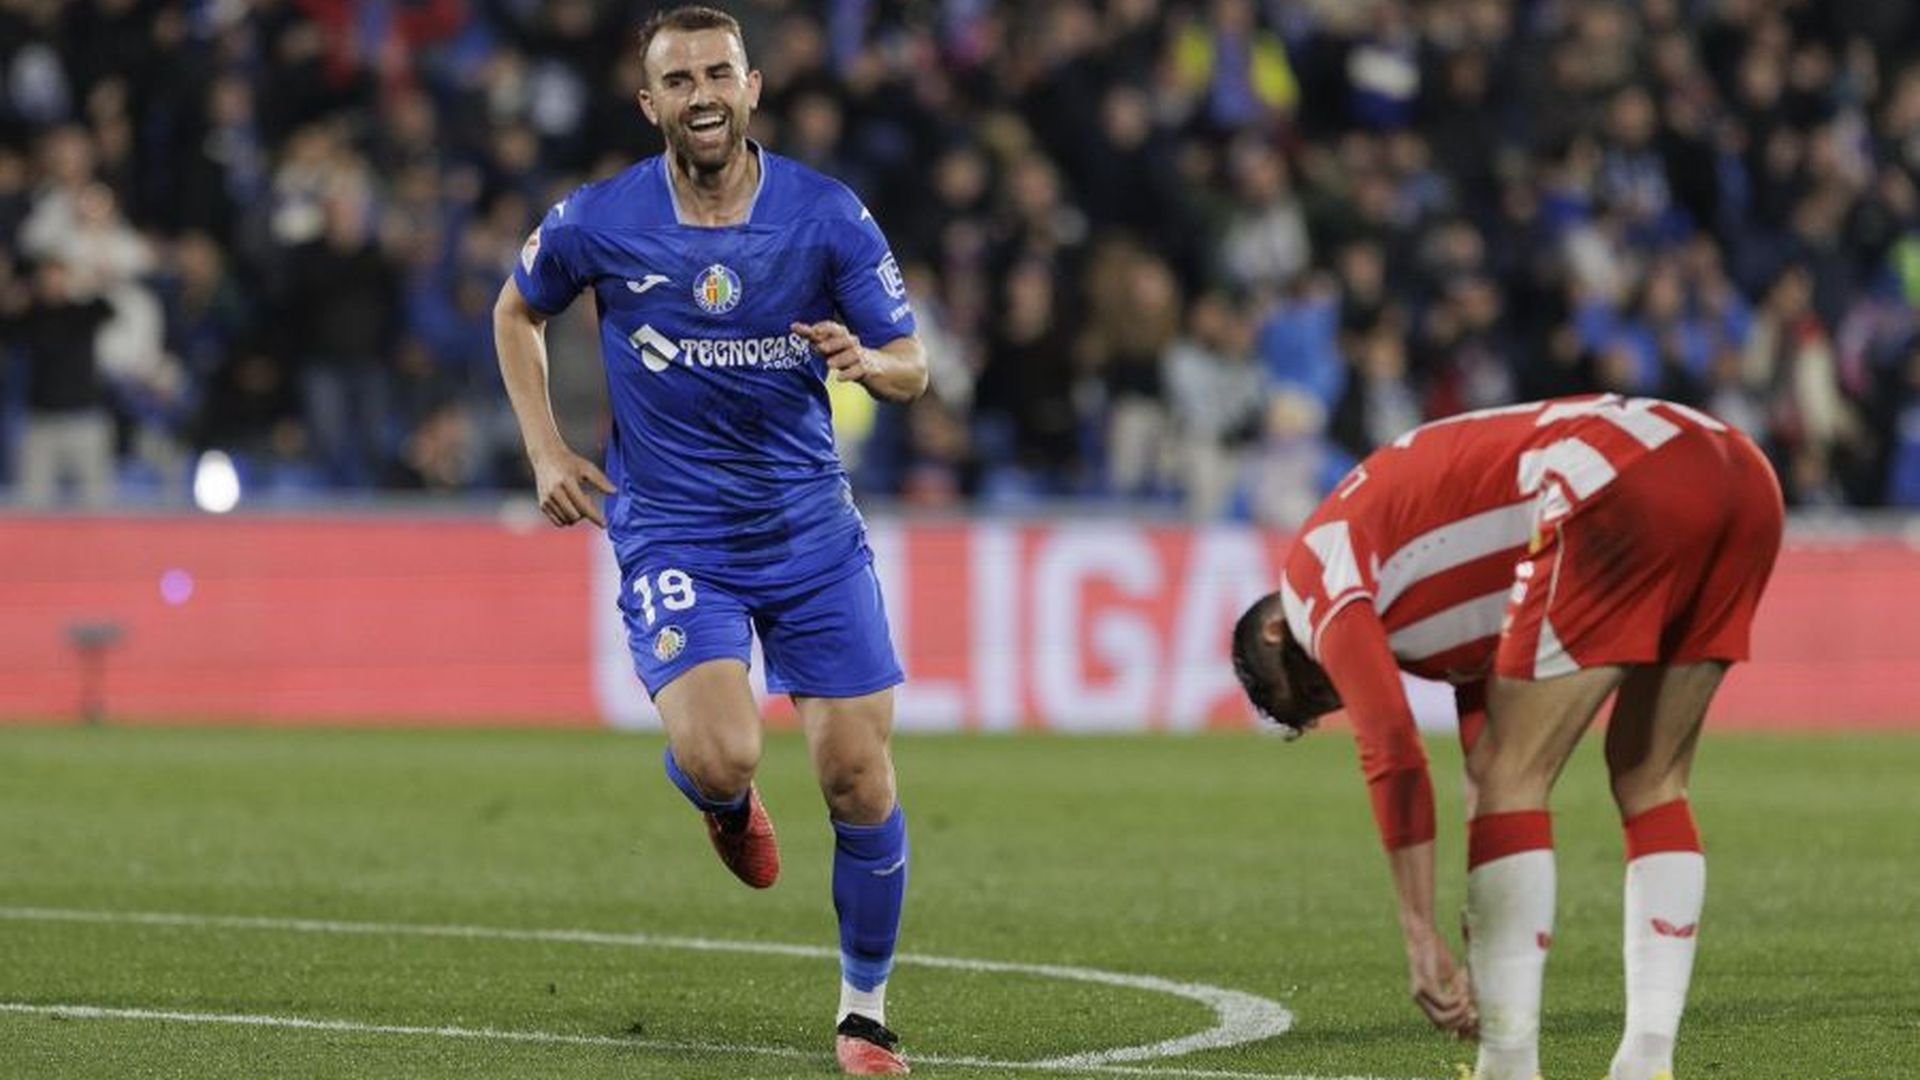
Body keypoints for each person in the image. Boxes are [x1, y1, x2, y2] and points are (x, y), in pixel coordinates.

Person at [492, 7, 928, 1076]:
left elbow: (915, 360)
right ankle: (722, 801)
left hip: (810, 531)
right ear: (651, 103)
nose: (701, 94)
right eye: (678, 78)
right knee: (720, 749)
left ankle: (864, 1013)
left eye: (718, 73)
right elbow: (516, 310)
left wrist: (872, 365)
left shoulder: (827, 217)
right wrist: (546, 450)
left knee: (856, 778)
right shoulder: (600, 219)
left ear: (753, 87)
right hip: (676, 528)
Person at [1231, 394, 1782, 1080]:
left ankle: (1507, 1066)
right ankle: (1647, 1060)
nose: (1332, 693)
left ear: (1279, 633)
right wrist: (1483, 932)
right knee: (1647, 775)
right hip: (1740, 472)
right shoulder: (1431, 596)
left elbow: (1394, 750)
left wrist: (1418, 932)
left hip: (1615, 476)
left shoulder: (1311, 580)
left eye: (1311, 688)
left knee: (1515, 775)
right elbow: (1484, 746)